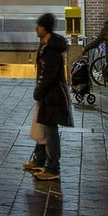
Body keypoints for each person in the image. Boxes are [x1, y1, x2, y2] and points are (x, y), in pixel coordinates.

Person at [31, 12, 72, 182]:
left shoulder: (51, 49)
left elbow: (48, 75)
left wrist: (38, 91)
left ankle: (53, 167)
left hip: (52, 96)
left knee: (50, 132)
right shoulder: (46, 44)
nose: (36, 28)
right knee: (43, 127)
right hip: (48, 95)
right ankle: (39, 160)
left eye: (39, 25)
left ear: (45, 28)